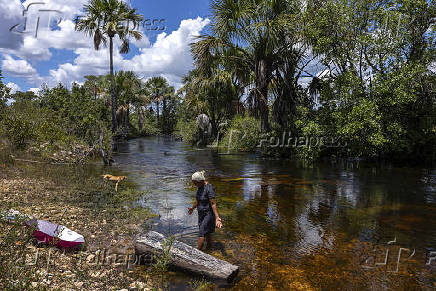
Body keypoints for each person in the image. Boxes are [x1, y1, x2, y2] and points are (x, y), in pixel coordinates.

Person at [188, 171, 223, 250]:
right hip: (201, 214)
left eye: (195, 183)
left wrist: (217, 217)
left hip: (208, 214)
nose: (194, 185)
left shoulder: (209, 188)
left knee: (201, 232)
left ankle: (197, 254)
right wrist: (192, 208)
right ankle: (209, 249)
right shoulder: (200, 187)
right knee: (207, 232)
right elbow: (198, 199)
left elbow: (213, 203)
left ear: (200, 181)